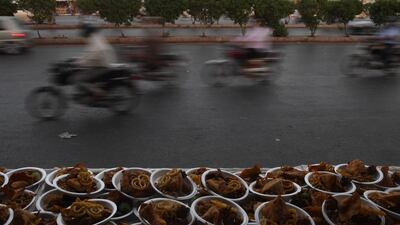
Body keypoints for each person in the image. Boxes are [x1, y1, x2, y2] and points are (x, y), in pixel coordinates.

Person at [76, 24, 117, 100]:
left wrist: (81, 62)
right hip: (103, 64)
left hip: (101, 66)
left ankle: (98, 92)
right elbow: (88, 53)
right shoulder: (97, 37)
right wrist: (79, 59)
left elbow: (94, 53)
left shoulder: (94, 40)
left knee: (79, 79)